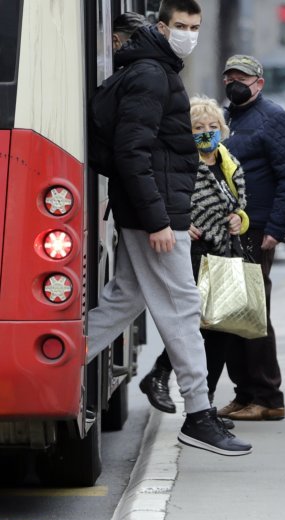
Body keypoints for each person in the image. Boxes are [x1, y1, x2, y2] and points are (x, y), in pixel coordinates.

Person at [87, 0, 251, 456]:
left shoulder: (153, 69)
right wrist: (159, 220)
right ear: (161, 27)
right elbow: (132, 153)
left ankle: (54, 362)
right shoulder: (152, 74)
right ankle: (199, 415)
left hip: (152, 212)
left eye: (195, 26)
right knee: (182, 309)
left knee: (125, 300)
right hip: (157, 217)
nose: (189, 33)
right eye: (181, 25)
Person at [138, 96, 249, 423]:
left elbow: (239, 207)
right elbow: (167, 200)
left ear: (222, 129)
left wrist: (239, 219)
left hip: (225, 251)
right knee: (192, 324)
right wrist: (183, 223)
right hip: (193, 251)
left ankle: (205, 405)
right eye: (198, 128)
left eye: (212, 127)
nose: (206, 133)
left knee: (219, 331)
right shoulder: (181, 161)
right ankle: (160, 373)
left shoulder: (228, 162)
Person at [217, 54, 285, 421]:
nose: (236, 83)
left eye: (243, 78)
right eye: (230, 77)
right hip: (230, 229)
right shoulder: (228, 118)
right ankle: (245, 392)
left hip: (257, 230)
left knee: (253, 313)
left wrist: (276, 229)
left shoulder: (274, 118)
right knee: (233, 313)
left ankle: (268, 397)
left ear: (259, 83)